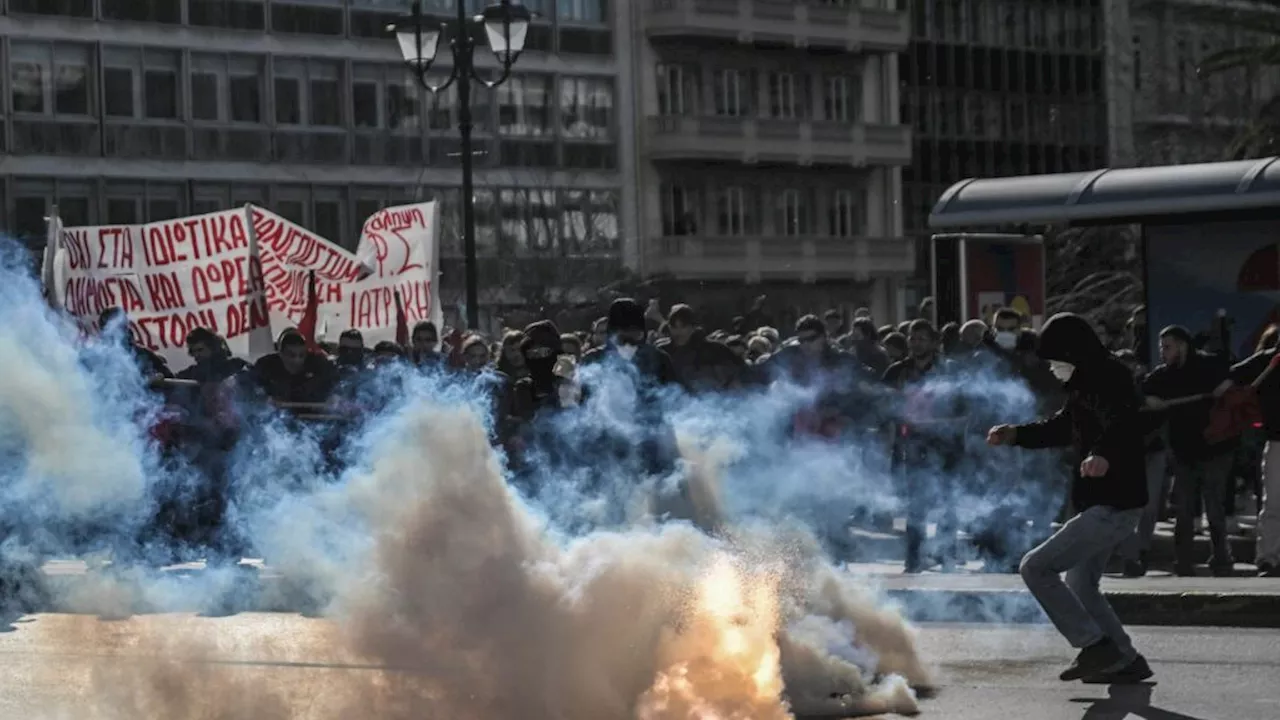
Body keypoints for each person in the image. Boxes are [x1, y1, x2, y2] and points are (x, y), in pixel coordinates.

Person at [987, 312, 1151, 683]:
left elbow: (1124, 422)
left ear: (1072, 350)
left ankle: (1095, 647)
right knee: (1081, 585)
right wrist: (1016, 435)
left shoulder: (1110, 377)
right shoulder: (1083, 383)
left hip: (1114, 503)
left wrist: (1104, 453)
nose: (1051, 367)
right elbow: (1063, 427)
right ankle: (1125, 659)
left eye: (1055, 358)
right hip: (1102, 503)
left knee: (1035, 567)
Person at [1142, 325, 1235, 576]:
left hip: (1215, 449)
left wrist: (1225, 385)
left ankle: (1222, 560)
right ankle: (1183, 562)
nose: (1163, 352)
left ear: (1182, 345)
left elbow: (1232, 376)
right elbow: (1143, 393)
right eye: (1162, 347)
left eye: (1167, 346)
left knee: (1214, 508)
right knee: (1183, 510)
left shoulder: (1209, 366)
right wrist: (1150, 401)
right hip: (1184, 452)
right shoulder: (1164, 375)